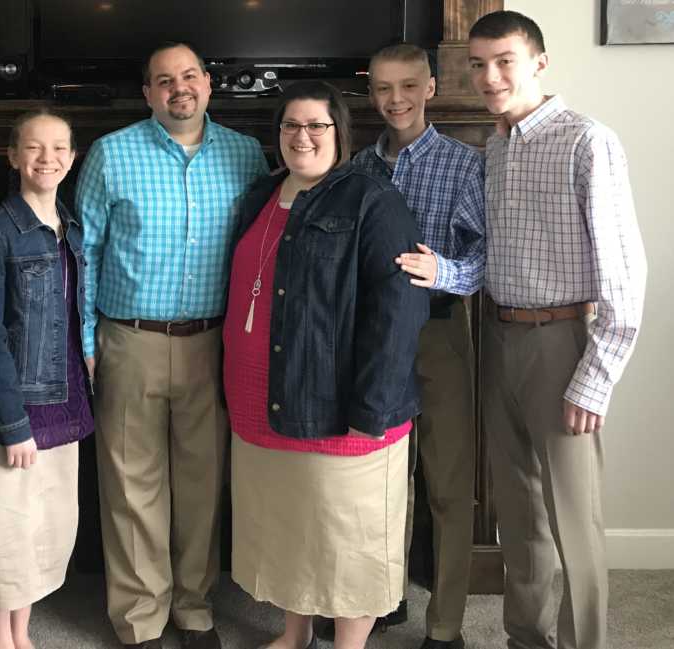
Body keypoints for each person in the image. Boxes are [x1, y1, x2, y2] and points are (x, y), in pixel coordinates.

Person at [74, 41, 268, 649]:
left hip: (212, 342)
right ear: (148, 93)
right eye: (163, 80)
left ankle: (193, 606)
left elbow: (261, 250)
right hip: (127, 340)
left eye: (188, 76)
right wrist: (85, 339)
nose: (177, 88)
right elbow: (84, 254)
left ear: (209, 84)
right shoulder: (110, 155)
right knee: (131, 486)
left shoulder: (246, 155)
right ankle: (140, 619)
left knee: (203, 481)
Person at [224, 80, 430, 649]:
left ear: (340, 132)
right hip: (263, 406)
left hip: (341, 409)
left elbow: (398, 308)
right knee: (292, 532)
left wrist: (375, 406)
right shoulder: (262, 196)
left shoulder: (371, 198)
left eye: (317, 125)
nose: (303, 136)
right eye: (291, 125)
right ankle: (294, 636)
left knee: (348, 539)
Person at [468, 11, 647, 649]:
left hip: (562, 345)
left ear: (539, 62)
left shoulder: (586, 141)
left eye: (505, 61)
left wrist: (593, 380)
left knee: (574, 518)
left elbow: (624, 274)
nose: (490, 77)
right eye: (479, 63)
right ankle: (526, 638)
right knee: (518, 516)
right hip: (498, 336)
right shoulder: (492, 147)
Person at [351, 43, 486, 649]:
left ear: (430, 87)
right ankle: (386, 597)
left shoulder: (465, 163)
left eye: (408, 86)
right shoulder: (355, 166)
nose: (396, 100)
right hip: (375, 335)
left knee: (449, 481)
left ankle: (447, 625)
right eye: (383, 88)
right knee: (382, 479)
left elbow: (486, 257)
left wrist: (444, 274)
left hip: (438, 331)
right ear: (370, 92)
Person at [0, 109, 94, 649]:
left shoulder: (70, 223)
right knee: (13, 526)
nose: (48, 158)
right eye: (35, 148)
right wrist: (11, 419)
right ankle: (1, 636)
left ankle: (22, 631)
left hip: (66, 395)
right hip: (20, 403)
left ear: (72, 156)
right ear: (14, 157)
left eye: (60, 147)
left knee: (49, 522)